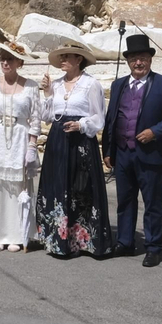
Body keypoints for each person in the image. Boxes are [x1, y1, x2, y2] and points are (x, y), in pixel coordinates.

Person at [101, 33, 162, 268]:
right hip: (123, 153)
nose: (139, 63)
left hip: (152, 154)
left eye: (143, 58)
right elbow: (111, 118)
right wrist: (108, 150)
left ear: (150, 60)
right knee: (125, 200)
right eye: (134, 58)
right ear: (128, 61)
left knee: (153, 203)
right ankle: (125, 242)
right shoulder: (118, 85)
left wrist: (154, 131)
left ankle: (153, 247)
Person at [35, 43, 110, 259]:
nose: (62, 60)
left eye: (67, 57)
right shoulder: (56, 84)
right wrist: (47, 93)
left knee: (81, 188)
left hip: (80, 142)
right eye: (61, 57)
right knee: (58, 185)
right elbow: (47, 117)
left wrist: (81, 124)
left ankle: (84, 240)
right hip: (58, 140)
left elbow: (99, 118)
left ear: (79, 60)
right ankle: (58, 240)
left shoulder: (90, 84)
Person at [0, 37, 40, 253]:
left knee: (18, 187)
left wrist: (32, 146)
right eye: (2, 59)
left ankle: (17, 233)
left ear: (19, 63)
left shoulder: (31, 86)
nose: (6, 63)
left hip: (19, 136)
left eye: (10, 59)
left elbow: (35, 117)